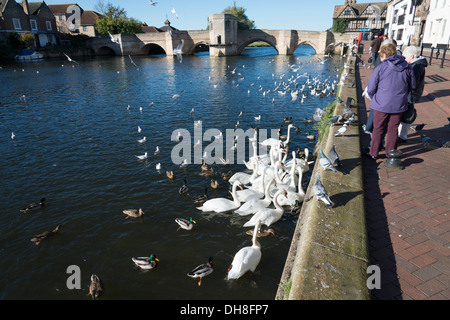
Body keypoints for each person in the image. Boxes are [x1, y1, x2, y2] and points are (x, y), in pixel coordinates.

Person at [365, 43, 416, 159]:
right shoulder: (408, 67)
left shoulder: (381, 67)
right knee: (393, 129)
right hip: (399, 104)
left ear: (384, 54)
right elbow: (413, 86)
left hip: (381, 104)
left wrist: (375, 98)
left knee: (378, 128)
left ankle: (373, 153)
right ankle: (391, 153)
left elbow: (371, 87)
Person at [398, 46, 428, 142]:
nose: (404, 60)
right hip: (412, 94)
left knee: (406, 116)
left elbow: (411, 84)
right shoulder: (418, 65)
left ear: (411, 56)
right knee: (406, 115)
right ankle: (402, 135)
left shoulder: (415, 67)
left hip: (410, 95)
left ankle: (402, 137)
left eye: (405, 57)